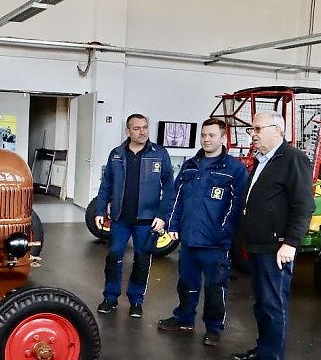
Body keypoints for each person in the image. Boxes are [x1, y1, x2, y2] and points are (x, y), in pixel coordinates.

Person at [230, 112, 314, 360]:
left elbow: (304, 206)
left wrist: (290, 243)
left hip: (276, 248)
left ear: (277, 130)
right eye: (251, 129)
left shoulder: (293, 159)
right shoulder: (262, 161)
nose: (252, 134)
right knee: (262, 304)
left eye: (256, 128)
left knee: (273, 305)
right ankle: (262, 350)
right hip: (256, 246)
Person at [157, 118, 249, 346]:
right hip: (188, 239)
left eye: (212, 135)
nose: (207, 139)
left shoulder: (234, 169)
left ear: (223, 137)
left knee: (215, 287)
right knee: (187, 283)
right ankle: (184, 318)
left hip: (216, 244)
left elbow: (237, 206)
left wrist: (223, 232)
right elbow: (176, 198)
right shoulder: (190, 166)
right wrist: (173, 224)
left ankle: (214, 328)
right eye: (204, 135)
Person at [94, 114, 175, 318]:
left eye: (145, 127)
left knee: (142, 259)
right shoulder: (117, 154)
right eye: (137, 128)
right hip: (120, 219)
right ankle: (110, 298)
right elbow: (106, 185)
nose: (143, 132)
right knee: (114, 257)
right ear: (128, 131)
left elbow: (169, 188)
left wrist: (163, 215)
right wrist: (99, 210)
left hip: (147, 221)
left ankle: (136, 301)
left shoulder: (160, 154)